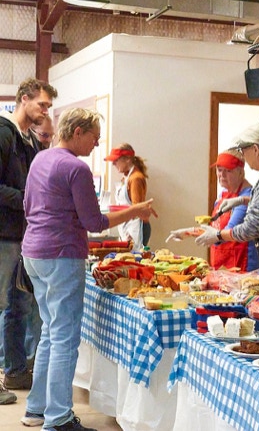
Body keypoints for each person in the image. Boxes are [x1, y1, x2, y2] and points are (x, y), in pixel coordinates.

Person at [21, 107, 157, 430]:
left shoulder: (40, 159)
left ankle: (36, 408)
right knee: (65, 338)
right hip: (61, 255)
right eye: (94, 138)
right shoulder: (76, 168)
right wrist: (135, 210)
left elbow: (28, 206)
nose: (96, 144)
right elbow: (94, 222)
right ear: (78, 132)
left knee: (50, 332)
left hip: (33, 253)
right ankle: (59, 418)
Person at [0, 78, 57, 404]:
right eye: (42, 104)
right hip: (4, 237)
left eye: (48, 106)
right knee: (4, 306)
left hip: (19, 237)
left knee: (18, 306)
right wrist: (27, 199)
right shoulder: (4, 133)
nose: (45, 111)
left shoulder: (27, 140)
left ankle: (16, 371)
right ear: (24, 99)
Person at [196, 124, 259, 268]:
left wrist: (218, 235)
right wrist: (243, 201)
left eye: (242, 150)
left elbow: (250, 228)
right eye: (219, 170)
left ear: (255, 149)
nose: (243, 155)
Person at [167, 148, 259, 271]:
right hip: (221, 264)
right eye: (219, 170)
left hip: (241, 265)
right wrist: (188, 232)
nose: (222, 175)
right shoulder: (223, 194)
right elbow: (214, 231)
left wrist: (192, 232)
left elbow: (225, 233)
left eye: (228, 171)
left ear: (241, 172)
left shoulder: (245, 199)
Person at [105, 143, 152, 249]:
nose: (113, 164)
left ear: (127, 159)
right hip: (128, 225)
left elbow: (137, 209)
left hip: (135, 227)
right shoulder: (126, 177)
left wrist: (118, 211)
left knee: (135, 257)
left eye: (116, 160)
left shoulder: (136, 178)